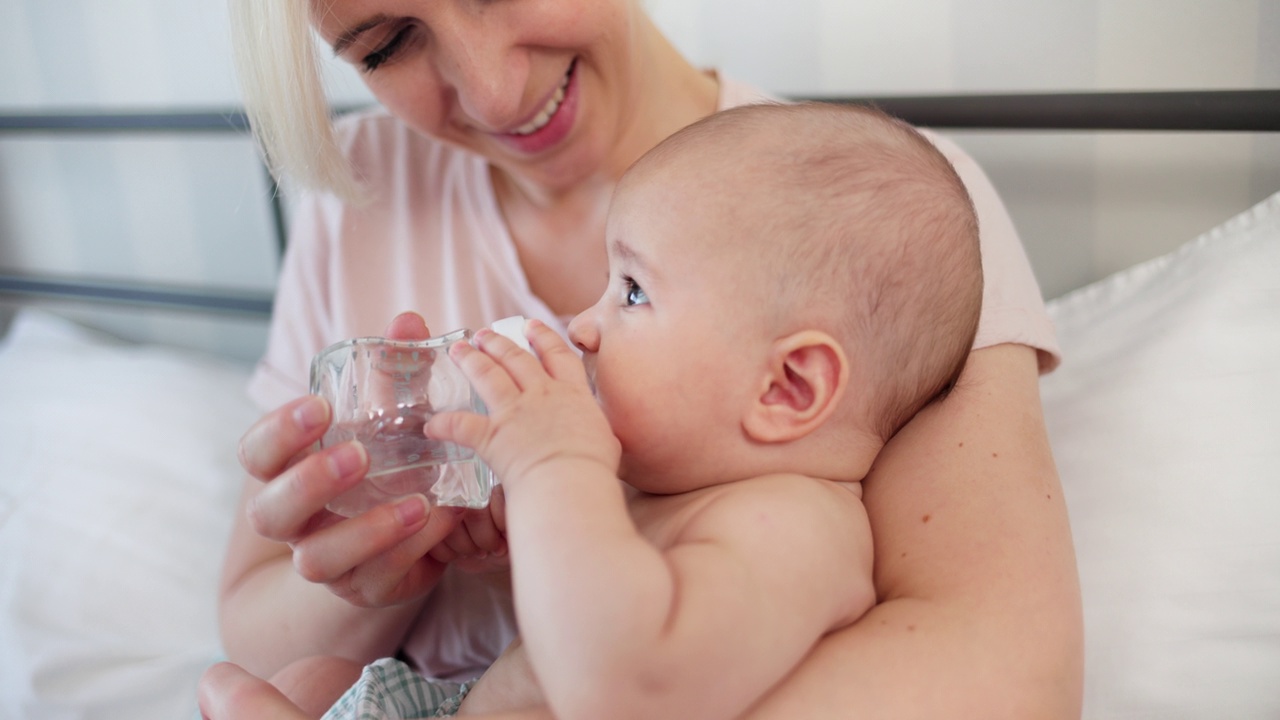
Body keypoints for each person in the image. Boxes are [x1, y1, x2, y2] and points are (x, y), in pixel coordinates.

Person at [201, 0, 1084, 717]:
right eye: (388, 44)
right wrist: (403, 556)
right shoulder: (356, 189)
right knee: (284, 689)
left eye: (627, 292)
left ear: (790, 385)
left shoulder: (869, 234)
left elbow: (1007, 680)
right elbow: (254, 619)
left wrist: (554, 469)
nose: (495, 92)